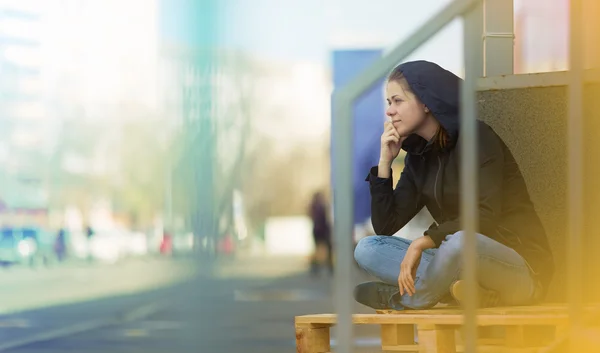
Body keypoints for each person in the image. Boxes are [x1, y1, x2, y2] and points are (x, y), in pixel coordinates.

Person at [353, 61, 554, 310]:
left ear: (426, 101)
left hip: (519, 270)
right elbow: (386, 225)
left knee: (459, 242)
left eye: (397, 101)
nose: (390, 111)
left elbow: (485, 216)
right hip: (459, 268)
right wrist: (385, 163)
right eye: (388, 103)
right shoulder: (418, 158)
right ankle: (458, 290)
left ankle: (408, 298)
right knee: (367, 248)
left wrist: (423, 242)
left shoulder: (477, 137)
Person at [308, 191, 333, 276]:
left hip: (318, 230)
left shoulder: (314, 206)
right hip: (321, 230)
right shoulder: (320, 206)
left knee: (320, 249)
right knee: (324, 248)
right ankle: (322, 267)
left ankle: (316, 267)